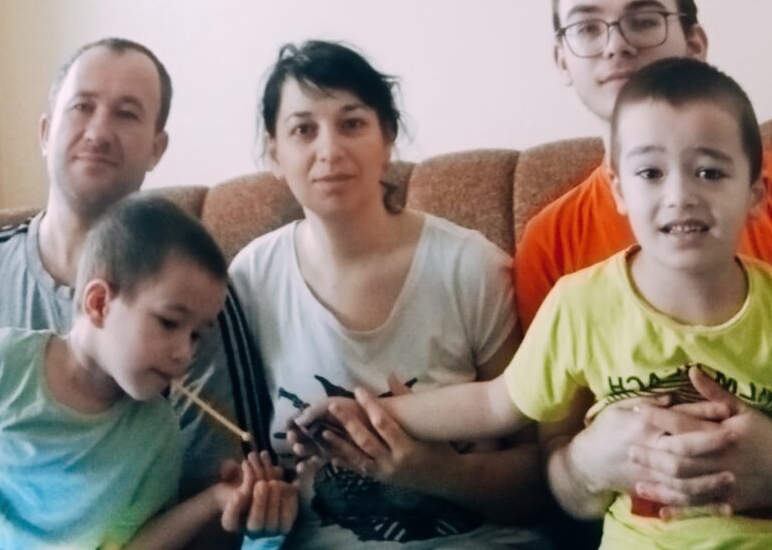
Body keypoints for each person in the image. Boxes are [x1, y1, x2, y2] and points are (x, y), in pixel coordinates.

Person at [301, 58, 772, 549]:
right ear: (618, 191)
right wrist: (371, 412)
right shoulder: (582, 305)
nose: (680, 195)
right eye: (651, 173)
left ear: (756, 195)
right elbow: (493, 404)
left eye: (710, 172)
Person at [0, 38, 264, 546]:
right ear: (46, 131)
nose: (99, 131)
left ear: (157, 148)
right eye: (82, 106)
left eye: (127, 114)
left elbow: (206, 497)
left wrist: (241, 502)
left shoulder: (200, 306)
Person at [511, 0, 772, 518]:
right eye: (587, 28)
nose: (616, 44)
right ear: (562, 60)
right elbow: (552, 466)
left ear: (696, 43)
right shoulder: (550, 240)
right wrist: (585, 464)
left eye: (643, 20)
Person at [227, 41, 550, 549]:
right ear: (274, 153)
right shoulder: (250, 280)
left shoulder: (469, 266)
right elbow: (229, 460)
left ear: (388, 137)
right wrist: (254, 504)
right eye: (303, 130)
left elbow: (540, 478)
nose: (329, 150)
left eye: (352, 123)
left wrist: (436, 471)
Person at [0, 195, 297, 549]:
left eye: (197, 336)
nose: (185, 353)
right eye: (169, 322)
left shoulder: (156, 433)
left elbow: (133, 544)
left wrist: (213, 500)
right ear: (99, 303)